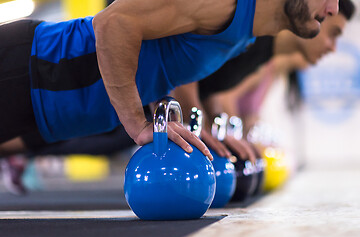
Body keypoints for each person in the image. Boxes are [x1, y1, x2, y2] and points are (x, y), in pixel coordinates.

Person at [0, 0, 338, 163]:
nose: (335, 7)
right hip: (30, 68)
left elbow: (155, 60)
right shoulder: (226, 3)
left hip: (42, 107)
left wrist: (180, 123)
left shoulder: (246, 36)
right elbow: (114, 23)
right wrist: (137, 123)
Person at [172, 0, 354, 161]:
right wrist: (201, 128)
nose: (333, 48)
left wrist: (220, 131)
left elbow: (208, 85)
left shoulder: (263, 54)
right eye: (333, 34)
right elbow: (181, 64)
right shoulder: (248, 26)